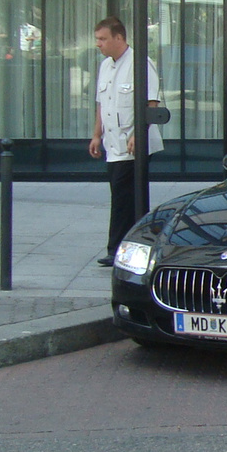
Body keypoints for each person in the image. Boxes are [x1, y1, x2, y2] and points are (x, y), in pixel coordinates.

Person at [89, 17, 163, 266]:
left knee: (126, 197)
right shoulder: (105, 66)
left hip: (133, 144)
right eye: (97, 39)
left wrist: (138, 134)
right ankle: (122, 247)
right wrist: (96, 134)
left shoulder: (140, 63)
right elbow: (102, 103)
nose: (98, 44)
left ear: (119, 38)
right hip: (113, 144)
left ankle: (119, 248)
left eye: (103, 39)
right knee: (119, 195)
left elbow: (151, 103)